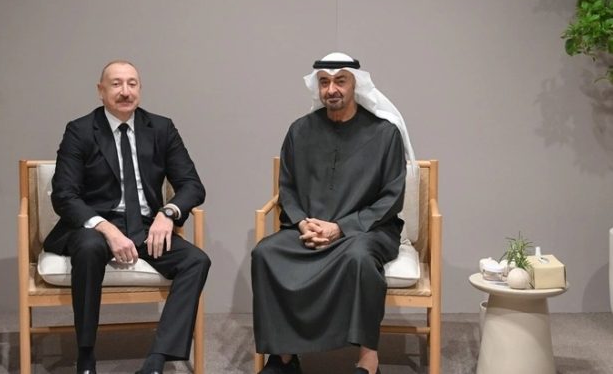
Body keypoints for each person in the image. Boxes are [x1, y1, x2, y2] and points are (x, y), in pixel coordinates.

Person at [251, 52, 416, 374]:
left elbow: (391, 197)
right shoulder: (299, 130)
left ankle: (368, 360)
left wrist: (340, 228)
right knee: (265, 253)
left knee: (359, 259)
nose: (332, 89)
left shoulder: (385, 133)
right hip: (308, 229)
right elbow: (287, 187)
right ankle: (284, 357)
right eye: (324, 82)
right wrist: (302, 223)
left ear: (356, 85)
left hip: (367, 230)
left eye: (340, 81)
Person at [44, 60, 210, 374]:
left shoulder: (161, 128)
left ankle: (156, 361)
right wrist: (106, 229)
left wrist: (168, 213)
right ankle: (86, 355)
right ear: (101, 90)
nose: (125, 91)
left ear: (140, 89)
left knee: (196, 261)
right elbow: (64, 194)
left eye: (132, 84)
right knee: (89, 248)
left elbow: (191, 185)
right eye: (116, 84)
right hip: (95, 225)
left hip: (145, 226)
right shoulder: (80, 130)